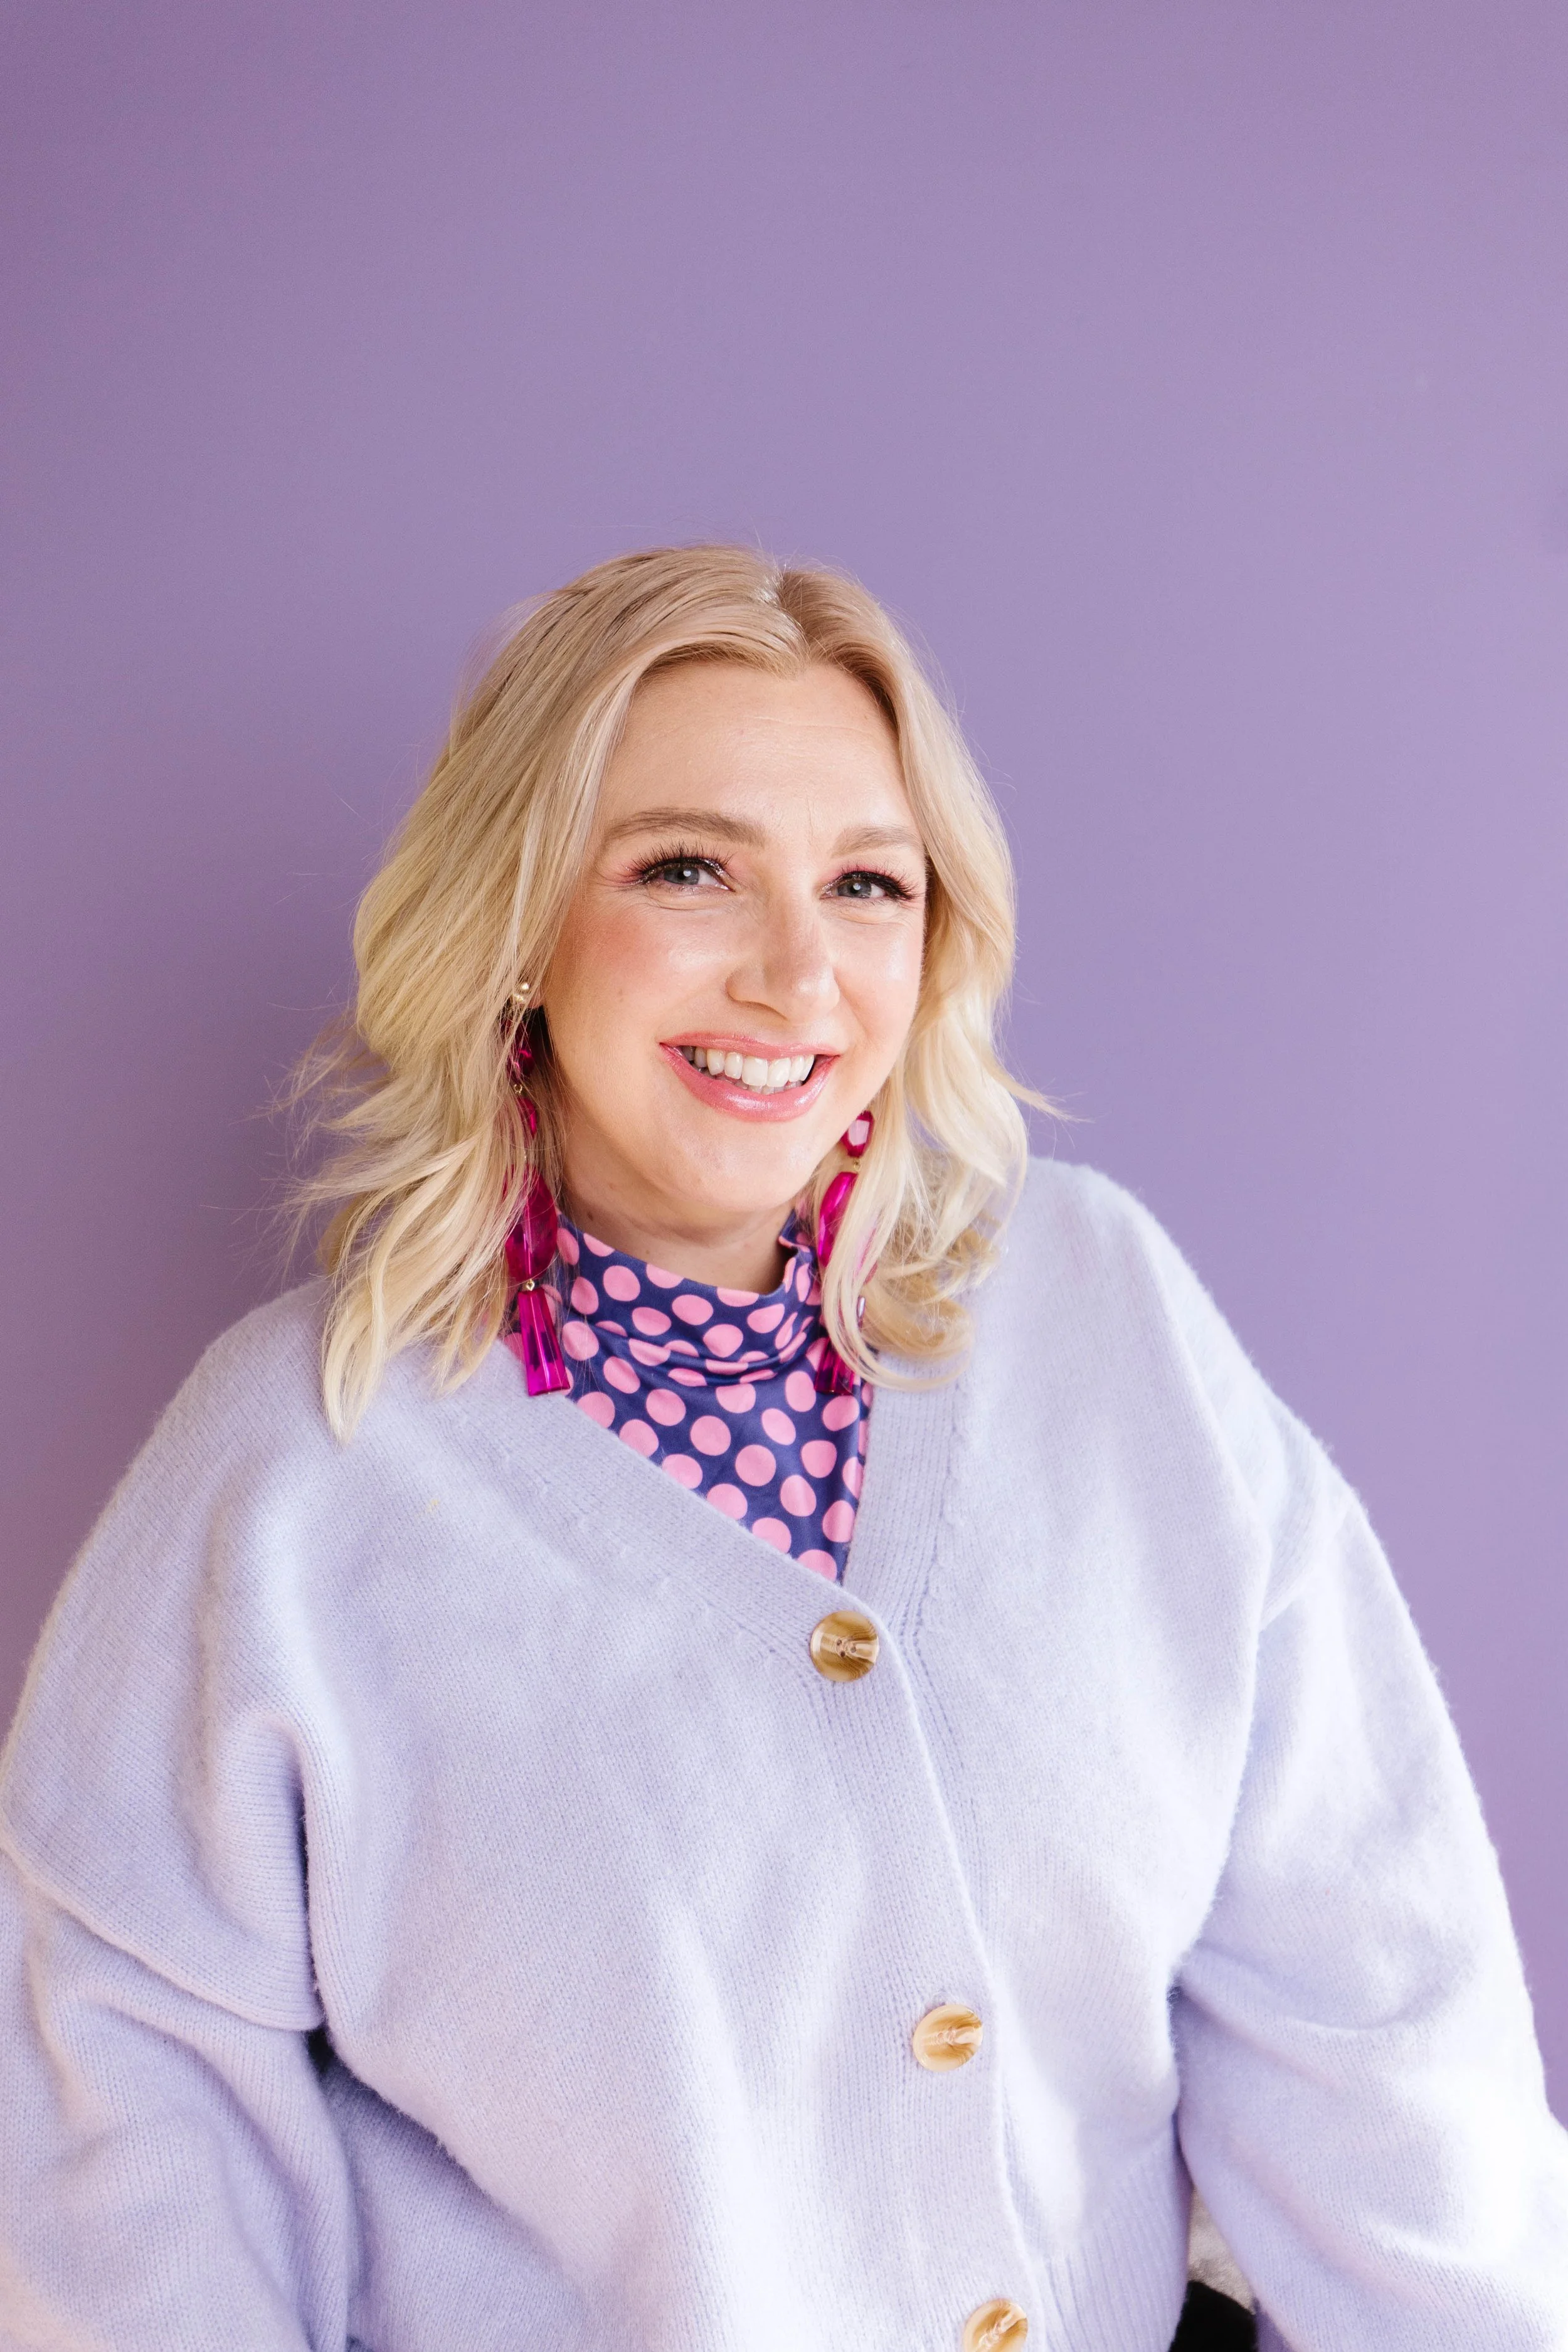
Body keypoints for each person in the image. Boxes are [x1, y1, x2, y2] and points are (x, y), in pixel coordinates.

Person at [0, 546, 1564, 2352]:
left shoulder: (1105, 1321)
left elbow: (1372, 2017)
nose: (798, 972)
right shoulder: (288, 1477)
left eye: (866, 884)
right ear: (515, 924)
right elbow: (124, 2156)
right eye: (688, 868)